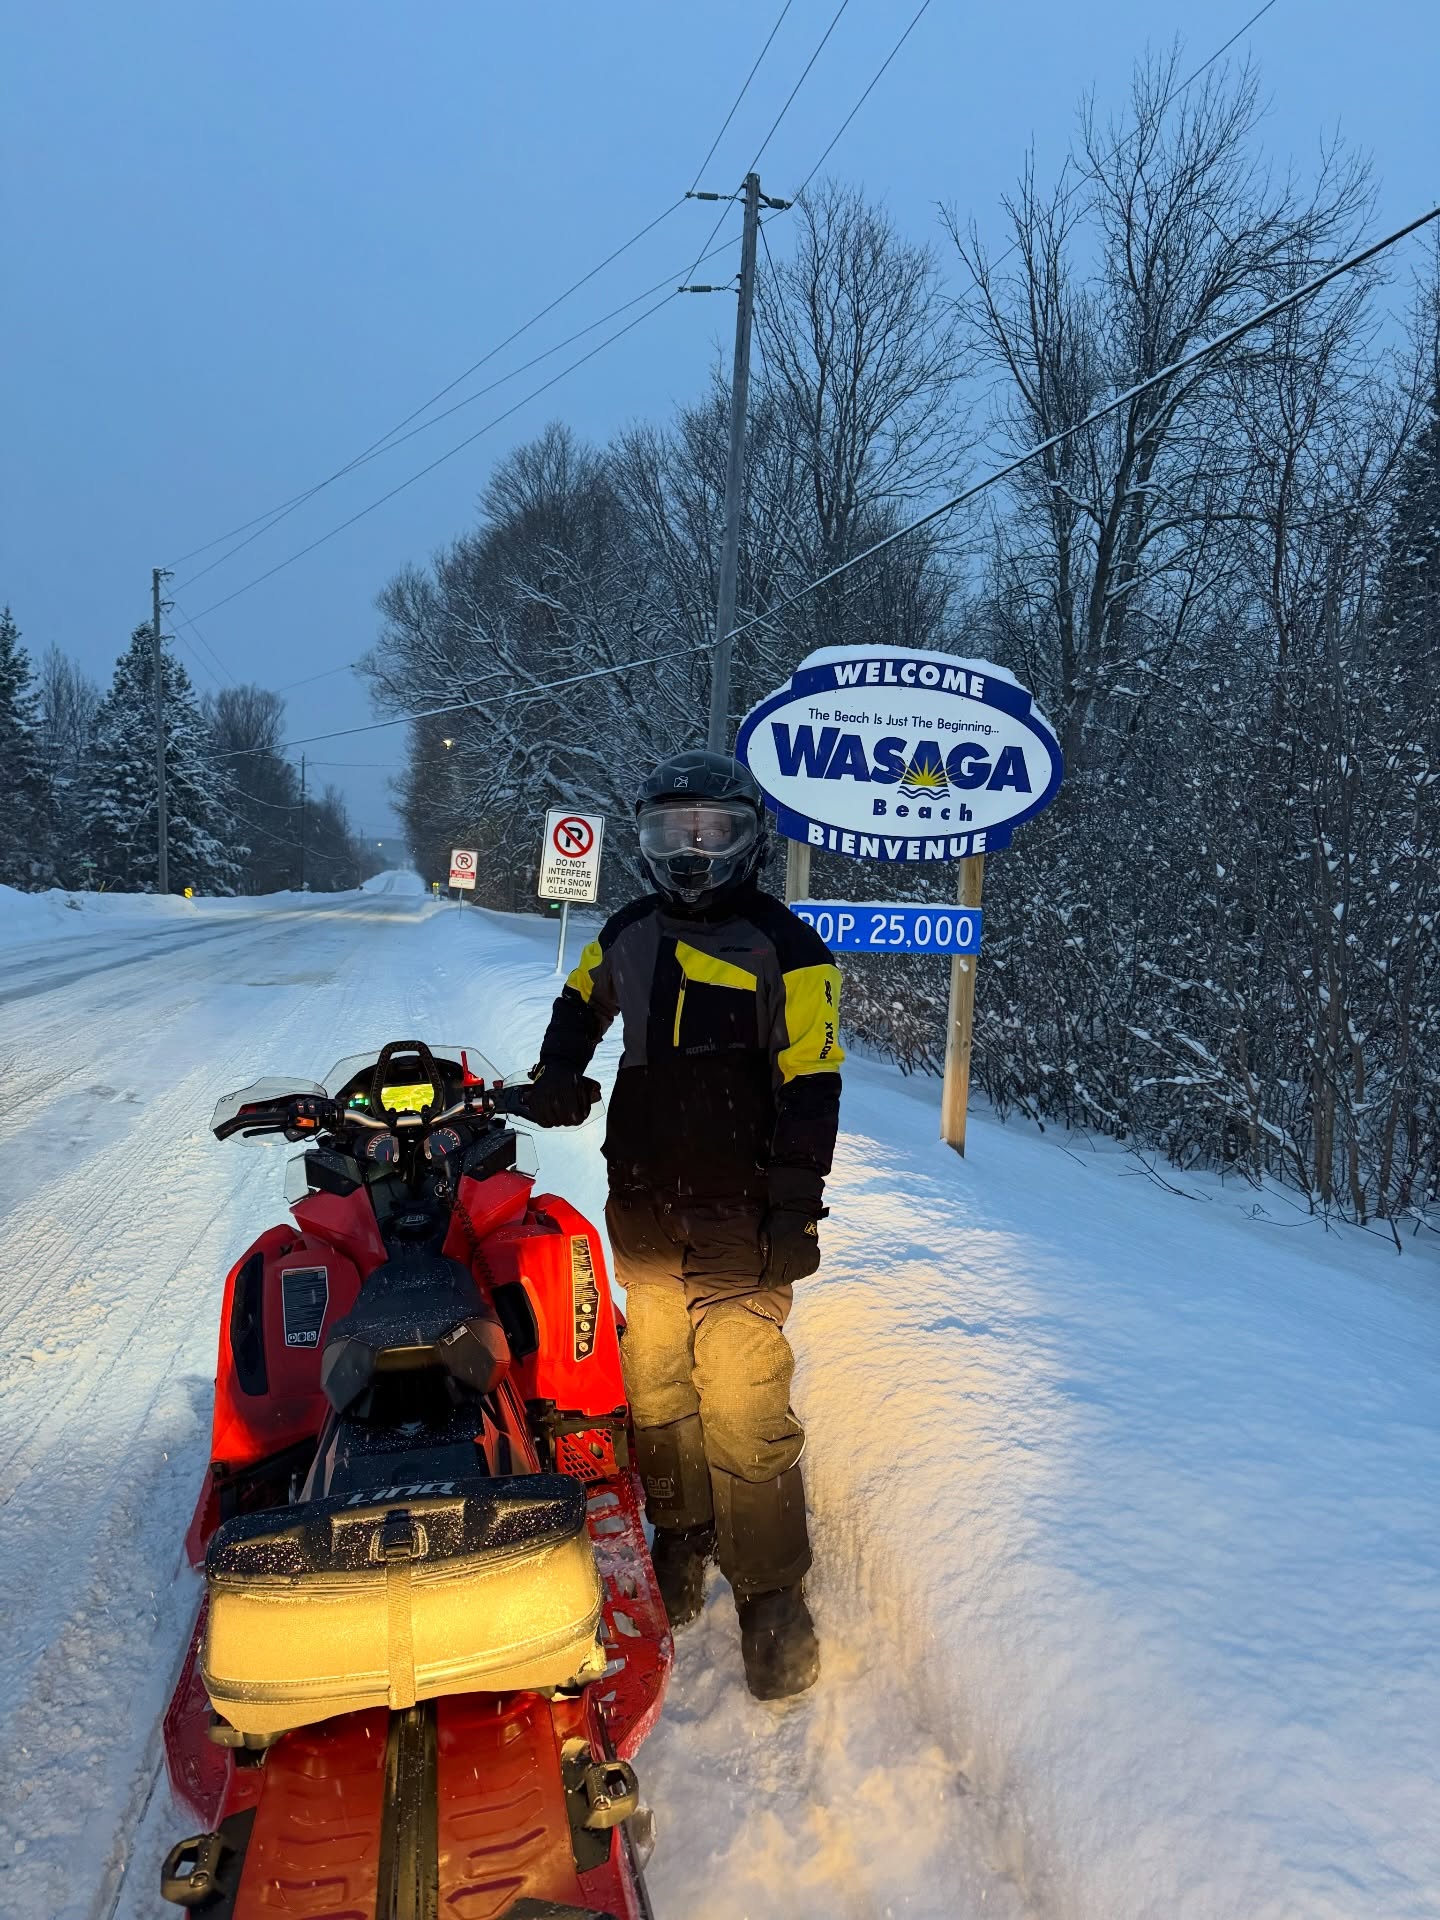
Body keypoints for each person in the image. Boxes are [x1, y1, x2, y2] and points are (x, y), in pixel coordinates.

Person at [527, 749, 843, 1699]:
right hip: (647, 1206)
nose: (691, 851)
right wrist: (558, 1070)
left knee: (745, 1402)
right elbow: (579, 1000)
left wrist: (795, 1204)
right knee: (658, 1384)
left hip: (744, 1216)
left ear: (750, 836)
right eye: (672, 832)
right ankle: (681, 1530)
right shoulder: (627, 931)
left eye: (712, 830)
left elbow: (815, 1084)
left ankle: (771, 1590)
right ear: (647, 841)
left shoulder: (788, 947)